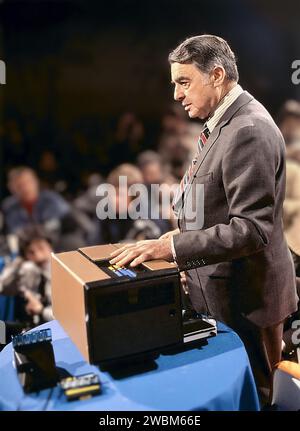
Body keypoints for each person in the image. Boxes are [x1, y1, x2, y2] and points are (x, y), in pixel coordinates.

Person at [109, 34, 298, 405]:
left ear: (216, 75)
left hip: (248, 302)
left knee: (253, 398)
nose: (177, 95)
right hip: (221, 293)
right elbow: (216, 205)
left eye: (184, 82)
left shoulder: (249, 130)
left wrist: (173, 247)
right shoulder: (222, 121)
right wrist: (183, 243)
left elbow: (251, 230)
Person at [0, 225, 53, 329]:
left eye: (41, 248)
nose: (38, 256)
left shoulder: (63, 272)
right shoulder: (28, 271)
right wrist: (18, 262)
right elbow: (3, 286)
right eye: (31, 252)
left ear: (50, 246)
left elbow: (67, 319)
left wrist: (41, 310)